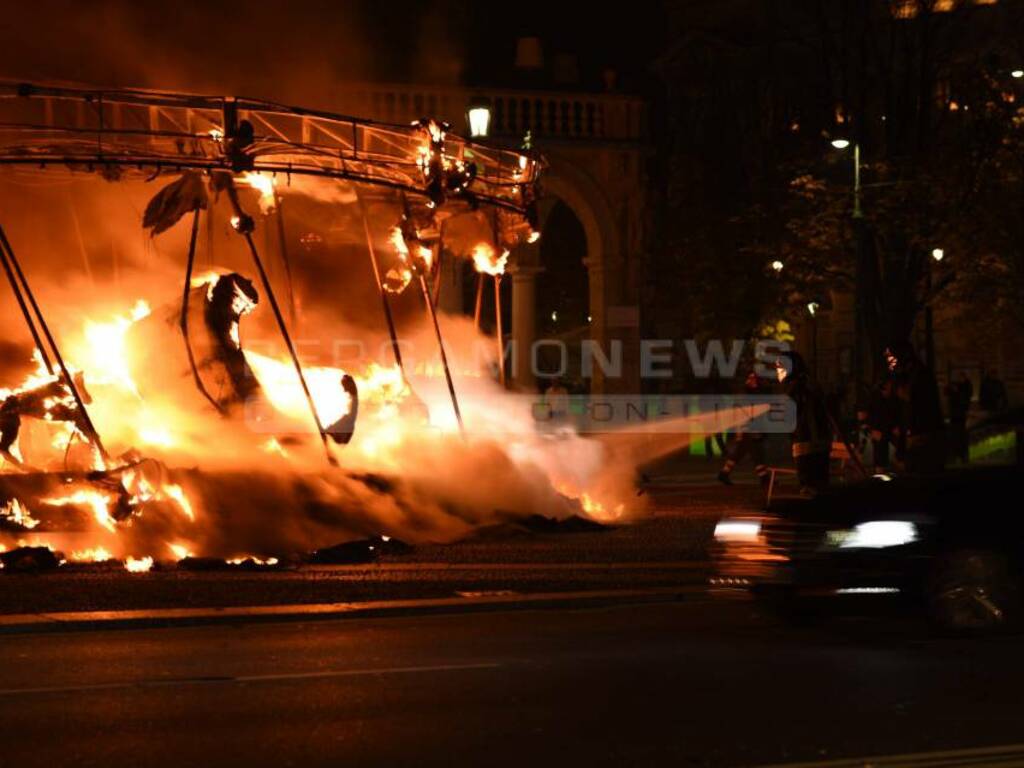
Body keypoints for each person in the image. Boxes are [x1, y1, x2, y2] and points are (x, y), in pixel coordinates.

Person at [776, 351, 831, 495]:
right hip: (815, 437)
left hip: (806, 438)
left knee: (809, 482)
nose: (778, 371)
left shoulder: (796, 386)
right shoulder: (806, 382)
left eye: (781, 366)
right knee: (816, 481)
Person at [886, 341, 945, 475]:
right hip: (918, 433)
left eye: (893, 357)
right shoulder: (914, 372)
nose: (892, 362)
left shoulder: (918, 374)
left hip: (922, 434)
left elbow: (910, 396)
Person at [717, 371, 769, 486]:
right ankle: (764, 478)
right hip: (748, 429)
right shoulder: (747, 395)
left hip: (746, 429)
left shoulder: (750, 394)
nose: (755, 382)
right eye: (753, 379)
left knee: (739, 454)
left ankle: (724, 473)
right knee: (757, 453)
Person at [945, 372, 972, 464]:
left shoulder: (963, 388)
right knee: (959, 436)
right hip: (958, 416)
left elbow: (964, 398)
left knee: (958, 435)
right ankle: (960, 455)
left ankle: (960, 455)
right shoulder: (962, 388)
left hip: (957, 416)